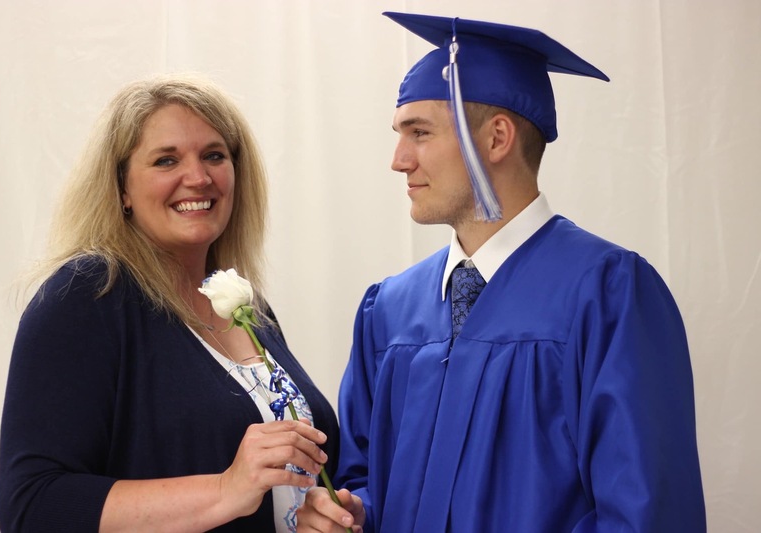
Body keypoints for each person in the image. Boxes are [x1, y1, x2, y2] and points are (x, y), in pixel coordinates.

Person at [297, 11, 706, 533]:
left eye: (419, 133)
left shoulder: (606, 294)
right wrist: (349, 514)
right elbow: (363, 480)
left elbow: (646, 514)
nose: (399, 160)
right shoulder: (389, 310)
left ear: (496, 139)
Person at [0, 73, 340, 533]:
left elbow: (272, 485)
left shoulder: (244, 304)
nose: (198, 178)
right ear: (121, 188)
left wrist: (313, 512)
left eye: (214, 156)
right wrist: (224, 490)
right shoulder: (86, 295)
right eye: (165, 160)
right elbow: (33, 505)